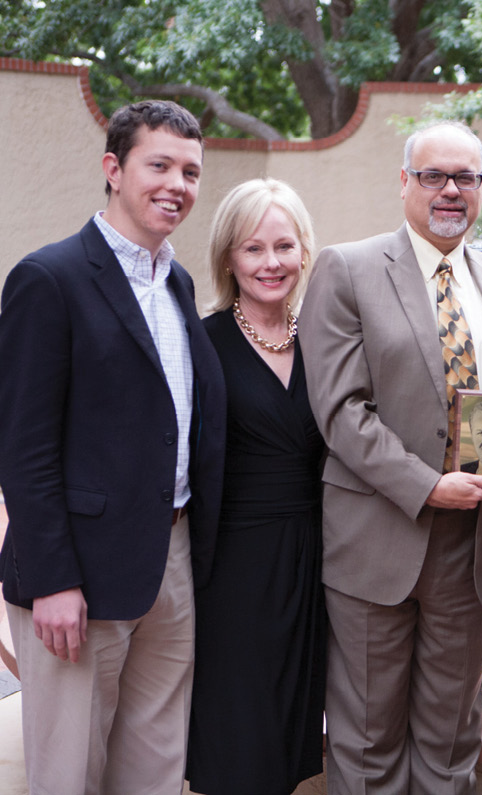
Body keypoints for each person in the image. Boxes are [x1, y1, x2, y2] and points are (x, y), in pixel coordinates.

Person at [0, 100, 226, 793]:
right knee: (70, 772)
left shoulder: (179, 282)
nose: (177, 185)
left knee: (156, 768)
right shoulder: (50, 278)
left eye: (190, 171)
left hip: (173, 558)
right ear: (113, 169)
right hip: (79, 575)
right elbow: (22, 444)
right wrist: (52, 579)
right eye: (159, 165)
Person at [301, 120, 482, 794]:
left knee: (450, 733)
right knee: (368, 736)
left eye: (465, 177)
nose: (450, 190)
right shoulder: (347, 268)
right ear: (404, 182)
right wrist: (428, 486)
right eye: (433, 175)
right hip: (377, 538)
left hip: (475, 541)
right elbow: (341, 411)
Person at [186, 179, 327, 795]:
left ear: (304, 252)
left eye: (284, 246)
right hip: (232, 569)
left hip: (316, 559)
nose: (271, 263)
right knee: (238, 736)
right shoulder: (201, 344)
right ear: (227, 258)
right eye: (253, 249)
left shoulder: (328, 342)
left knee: (291, 733)